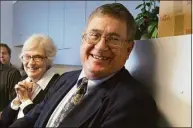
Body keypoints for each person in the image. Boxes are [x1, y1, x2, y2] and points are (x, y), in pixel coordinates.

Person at [10, 3, 158, 128]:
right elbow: (33, 118)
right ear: (83, 39)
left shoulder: (134, 104)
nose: (100, 46)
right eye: (95, 35)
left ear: (128, 49)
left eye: (114, 39)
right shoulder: (65, 79)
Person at [0, 34, 60, 127]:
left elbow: (41, 123)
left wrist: (25, 100)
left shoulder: (57, 84)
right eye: (27, 56)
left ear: (48, 60)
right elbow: (5, 119)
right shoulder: (24, 78)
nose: (31, 63)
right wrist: (17, 100)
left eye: (38, 57)